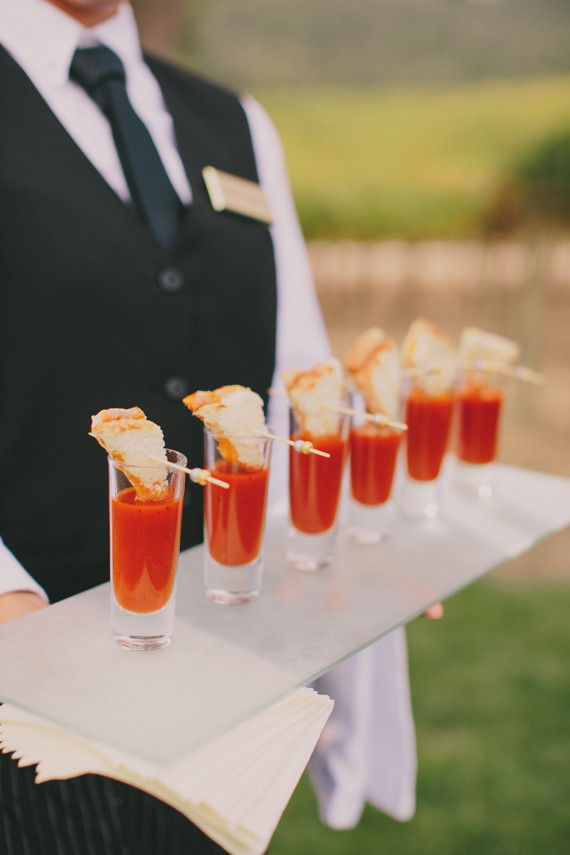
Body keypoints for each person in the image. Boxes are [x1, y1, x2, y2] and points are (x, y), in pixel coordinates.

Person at [0, 0, 420, 850]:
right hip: (29, 690)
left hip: (227, 670)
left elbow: (294, 375)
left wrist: (359, 551)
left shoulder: (236, 122)